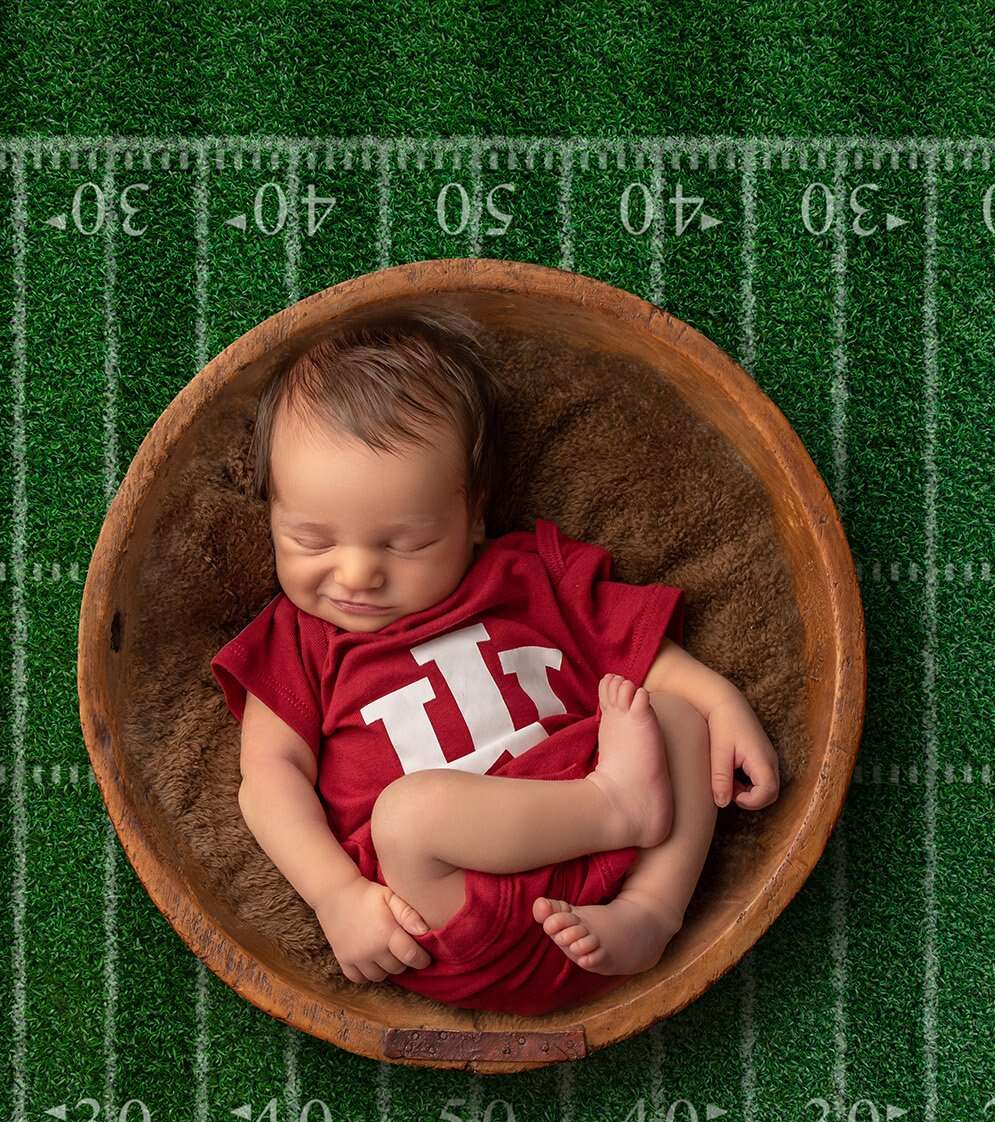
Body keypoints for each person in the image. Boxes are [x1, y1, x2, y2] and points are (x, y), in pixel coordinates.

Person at [211, 305, 780, 1015]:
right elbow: (267, 780)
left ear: (474, 516)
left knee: (674, 711)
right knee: (408, 815)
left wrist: (719, 699)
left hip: (605, 890)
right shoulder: (295, 639)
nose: (356, 573)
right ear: (270, 515)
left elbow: (644, 652)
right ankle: (612, 808)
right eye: (312, 541)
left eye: (405, 542)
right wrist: (338, 894)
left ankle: (653, 912)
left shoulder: (531, 571)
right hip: (455, 912)